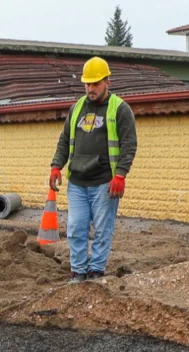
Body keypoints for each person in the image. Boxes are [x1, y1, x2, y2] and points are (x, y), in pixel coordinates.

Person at [49, 56, 137, 284]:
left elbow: (129, 144)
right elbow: (64, 139)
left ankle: (96, 271)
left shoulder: (119, 109)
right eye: (87, 84)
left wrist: (120, 175)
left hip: (104, 183)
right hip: (77, 182)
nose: (90, 88)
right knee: (76, 228)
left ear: (108, 81)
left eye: (95, 83)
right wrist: (56, 166)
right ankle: (78, 272)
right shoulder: (77, 108)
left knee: (102, 230)